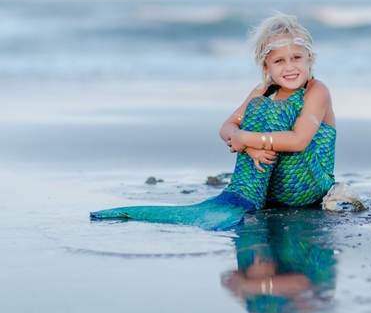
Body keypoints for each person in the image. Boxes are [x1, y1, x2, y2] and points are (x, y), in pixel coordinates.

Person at [90, 13, 336, 230]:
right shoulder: (263, 91)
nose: (290, 67)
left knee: (273, 111)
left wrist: (247, 139)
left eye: (296, 58)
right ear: (266, 67)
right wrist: (249, 146)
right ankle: (246, 195)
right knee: (259, 106)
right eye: (279, 61)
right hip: (269, 190)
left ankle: (246, 195)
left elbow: (299, 140)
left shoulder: (316, 90)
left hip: (307, 185)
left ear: (309, 59)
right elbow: (227, 127)